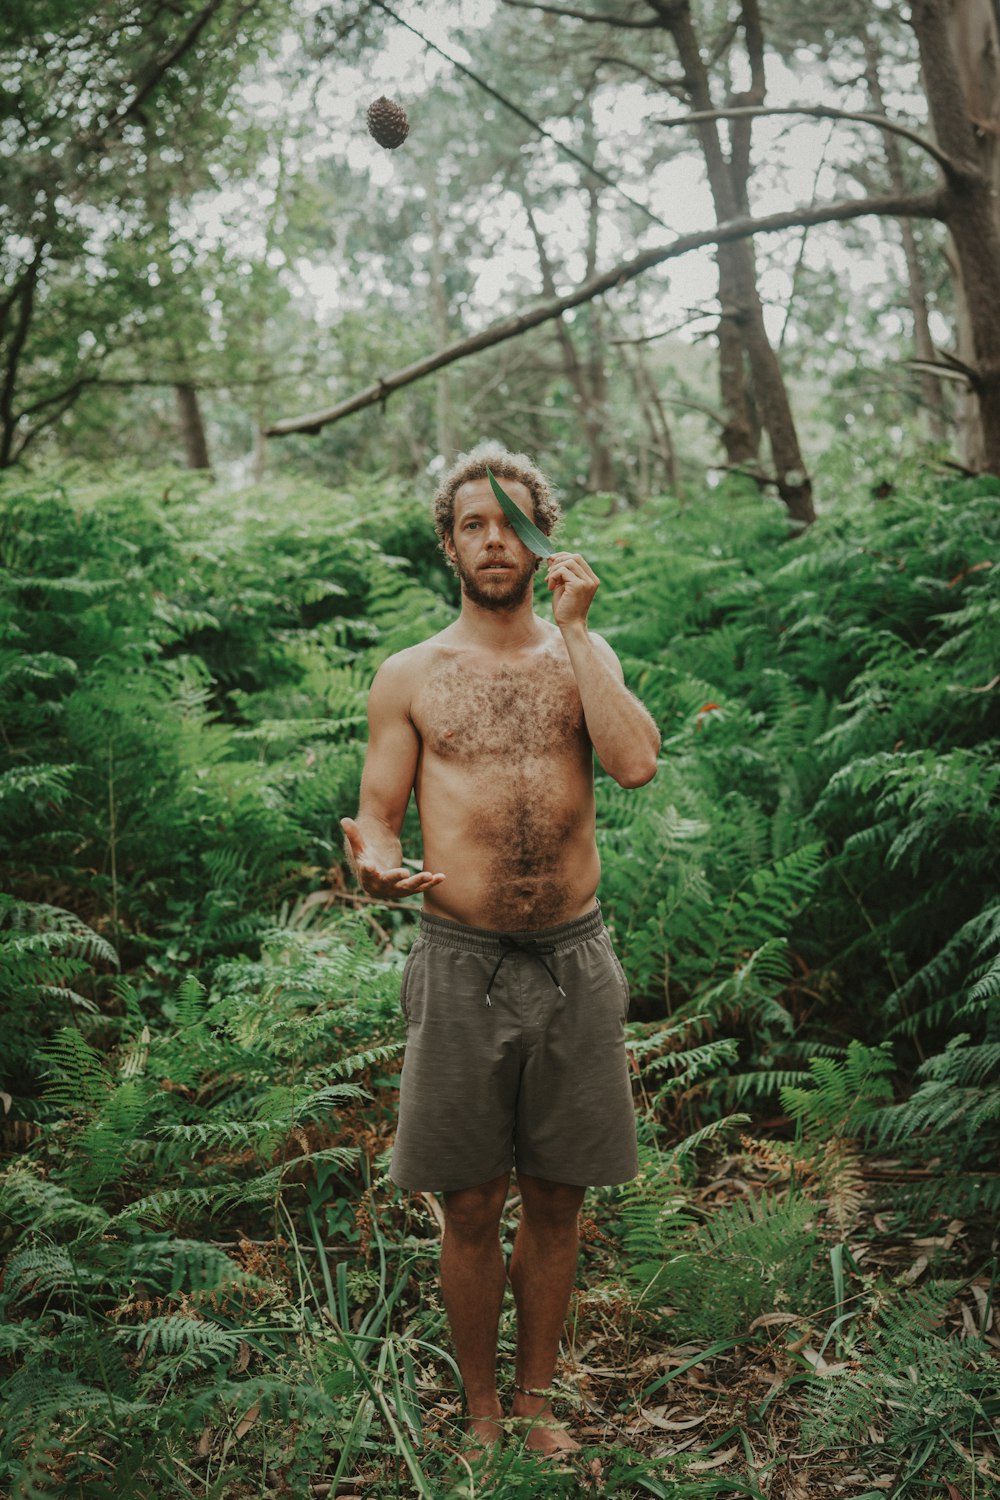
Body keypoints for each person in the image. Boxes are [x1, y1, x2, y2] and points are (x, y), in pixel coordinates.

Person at [341, 443, 660, 1459]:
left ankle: (534, 1402)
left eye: (511, 524)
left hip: (574, 957)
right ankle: (480, 1411)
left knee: (559, 1193)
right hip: (459, 960)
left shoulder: (584, 656)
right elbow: (376, 819)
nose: (492, 541)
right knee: (471, 1197)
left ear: (540, 541)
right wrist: (377, 865)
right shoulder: (410, 675)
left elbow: (637, 764)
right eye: (472, 524)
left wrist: (576, 636)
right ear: (447, 544)